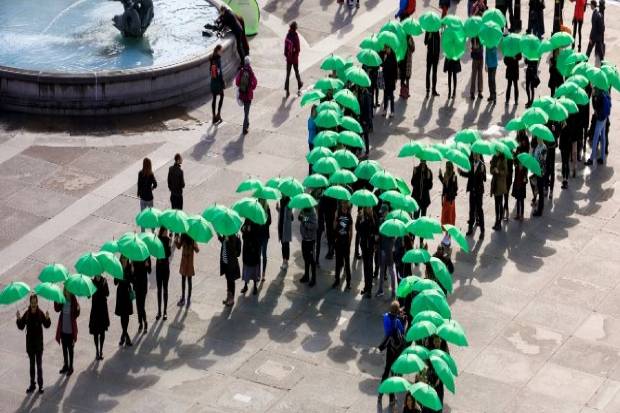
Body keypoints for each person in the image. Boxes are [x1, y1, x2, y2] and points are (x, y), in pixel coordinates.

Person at [16, 295, 51, 394]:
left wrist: (48, 318)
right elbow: (21, 326)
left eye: (35, 302)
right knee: (32, 366)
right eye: (32, 302)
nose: (34, 304)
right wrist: (18, 319)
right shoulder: (27, 314)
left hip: (39, 345)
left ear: (37, 302)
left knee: (39, 366)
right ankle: (32, 384)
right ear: (30, 303)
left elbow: (46, 325)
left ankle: (40, 386)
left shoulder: (40, 313)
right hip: (30, 345)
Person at [377, 301, 406, 411]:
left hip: (389, 347)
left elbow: (388, 328)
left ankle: (380, 394)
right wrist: (402, 319)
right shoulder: (398, 321)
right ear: (397, 310)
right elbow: (402, 332)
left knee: (386, 371)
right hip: (396, 349)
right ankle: (392, 398)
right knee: (393, 373)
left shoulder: (385, 317)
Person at [54, 288, 79, 377]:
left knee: (70, 349)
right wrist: (55, 300)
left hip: (71, 329)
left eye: (67, 289)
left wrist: (78, 309)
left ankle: (71, 367)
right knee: (64, 348)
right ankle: (65, 365)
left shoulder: (73, 299)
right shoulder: (62, 298)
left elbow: (76, 314)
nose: (66, 291)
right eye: (65, 289)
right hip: (63, 328)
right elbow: (57, 309)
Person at [460, 153, 486, 237]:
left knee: (479, 211)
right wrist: (461, 172)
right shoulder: (472, 164)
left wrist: (482, 172)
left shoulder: (482, 165)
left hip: (478, 193)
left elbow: (484, 179)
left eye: (477, 155)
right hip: (472, 191)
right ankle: (470, 228)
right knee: (471, 210)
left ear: (479, 156)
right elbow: (469, 175)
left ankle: (482, 231)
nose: (475, 157)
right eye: (474, 155)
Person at [585, 87, 611, 165]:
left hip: (600, 119)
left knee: (595, 138)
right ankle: (602, 157)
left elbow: (595, 108)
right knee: (603, 137)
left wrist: (593, 97)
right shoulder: (605, 91)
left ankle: (591, 159)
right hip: (605, 117)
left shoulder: (598, 96)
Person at [356, 207, 376, 298]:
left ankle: (369, 289)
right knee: (365, 266)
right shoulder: (360, 215)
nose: (368, 209)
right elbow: (357, 228)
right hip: (364, 244)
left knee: (369, 266)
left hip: (370, 245)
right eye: (367, 208)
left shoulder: (372, 216)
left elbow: (375, 229)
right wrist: (360, 220)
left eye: (370, 208)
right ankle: (366, 286)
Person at [333, 201, 353, 290]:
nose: (345, 205)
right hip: (338, 242)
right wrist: (335, 218)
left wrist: (349, 243)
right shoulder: (338, 214)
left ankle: (348, 282)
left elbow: (351, 231)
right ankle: (337, 280)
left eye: (346, 204)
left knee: (347, 263)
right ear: (341, 205)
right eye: (343, 204)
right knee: (338, 262)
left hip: (346, 243)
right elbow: (334, 227)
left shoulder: (349, 216)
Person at [236, 55, 258, 135]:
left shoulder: (241, 71)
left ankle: (247, 124)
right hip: (248, 95)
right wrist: (251, 88)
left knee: (246, 111)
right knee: (246, 112)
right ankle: (244, 128)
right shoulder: (251, 72)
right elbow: (255, 83)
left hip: (242, 93)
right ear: (250, 63)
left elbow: (237, 82)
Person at [175, 233, 199, 307]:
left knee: (184, 280)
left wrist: (176, 240)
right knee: (189, 280)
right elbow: (197, 250)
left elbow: (178, 246)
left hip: (184, 261)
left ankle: (183, 298)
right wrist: (195, 243)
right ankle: (188, 299)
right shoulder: (192, 237)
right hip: (189, 262)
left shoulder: (183, 235)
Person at [89, 275, 109, 360]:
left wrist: (104, 286)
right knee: (96, 332)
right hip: (95, 310)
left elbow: (107, 293)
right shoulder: (92, 282)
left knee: (102, 332)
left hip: (103, 310)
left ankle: (101, 351)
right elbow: (89, 295)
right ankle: (97, 350)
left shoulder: (104, 281)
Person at [115, 257, 134, 347]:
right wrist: (117, 273)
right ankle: (126, 336)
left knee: (126, 316)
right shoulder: (118, 267)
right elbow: (115, 282)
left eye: (126, 258)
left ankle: (123, 335)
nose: (124, 260)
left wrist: (132, 272)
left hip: (127, 292)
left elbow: (132, 280)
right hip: (120, 293)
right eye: (123, 258)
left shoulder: (130, 266)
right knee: (123, 316)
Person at [220, 233, 242, 306]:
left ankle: (231, 299)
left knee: (231, 281)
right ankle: (228, 297)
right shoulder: (225, 234)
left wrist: (228, 241)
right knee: (228, 280)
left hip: (231, 264)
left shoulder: (233, 236)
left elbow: (233, 250)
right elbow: (223, 242)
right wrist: (219, 236)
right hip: (225, 263)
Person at [240, 219, 261, 295]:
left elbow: (257, 237)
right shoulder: (247, 220)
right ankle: (245, 285)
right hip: (246, 250)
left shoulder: (257, 223)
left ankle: (255, 286)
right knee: (246, 268)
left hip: (254, 251)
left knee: (254, 269)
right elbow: (242, 229)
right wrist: (244, 229)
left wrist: (250, 231)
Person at [299, 207, 318, 286]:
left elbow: (314, 226)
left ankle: (313, 279)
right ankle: (306, 275)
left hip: (310, 240)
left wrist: (304, 221)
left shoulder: (313, 213)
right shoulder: (304, 210)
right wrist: (301, 217)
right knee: (305, 257)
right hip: (304, 239)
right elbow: (302, 218)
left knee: (311, 260)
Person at [156, 227, 172, 321]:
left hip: (165, 267)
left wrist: (169, 245)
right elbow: (155, 253)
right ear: (162, 231)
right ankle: (159, 311)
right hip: (159, 267)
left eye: (167, 231)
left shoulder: (168, 240)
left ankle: (165, 311)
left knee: (165, 289)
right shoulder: (157, 240)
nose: (167, 232)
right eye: (166, 231)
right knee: (159, 290)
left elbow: (168, 254)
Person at [284, 21, 303, 97]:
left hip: (289, 59)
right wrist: (295, 55)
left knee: (288, 75)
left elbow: (285, 47)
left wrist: (287, 55)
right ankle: (299, 85)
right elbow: (298, 49)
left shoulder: (288, 35)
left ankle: (287, 90)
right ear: (295, 29)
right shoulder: (296, 37)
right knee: (296, 73)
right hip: (294, 60)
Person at [132, 258, 150, 333]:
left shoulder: (146, 256)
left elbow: (149, 271)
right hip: (136, 285)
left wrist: (147, 265)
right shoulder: (134, 257)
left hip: (143, 285)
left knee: (141, 306)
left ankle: (145, 322)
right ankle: (140, 323)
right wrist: (132, 269)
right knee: (138, 305)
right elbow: (132, 274)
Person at [490, 153, 507, 230]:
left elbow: (506, 172)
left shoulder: (504, 159)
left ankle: (499, 222)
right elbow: (490, 170)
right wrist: (494, 170)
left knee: (499, 203)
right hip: (495, 184)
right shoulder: (494, 157)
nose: (496, 152)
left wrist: (499, 171)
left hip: (500, 185)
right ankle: (497, 221)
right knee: (496, 204)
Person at [439, 162, 458, 226]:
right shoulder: (445, 174)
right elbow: (444, 185)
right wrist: (440, 176)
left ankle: (449, 229)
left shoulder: (454, 176)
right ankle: (446, 228)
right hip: (446, 197)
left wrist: (452, 182)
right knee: (445, 214)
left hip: (450, 199)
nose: (446, 168)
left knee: (450, 214)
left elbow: (455, 188)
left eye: (447, 167)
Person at [586, 0, 605, 66]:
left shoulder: (595, 15)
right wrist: (600, 36)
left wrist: (590, 37)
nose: (590, 6)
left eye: (590, 5)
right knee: (600, 52)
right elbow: (602, 27)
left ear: (592, 5)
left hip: (594, 37)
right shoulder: (600, 14)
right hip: (599, 37)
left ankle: (584, 63)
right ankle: (603, 64)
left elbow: (593, 28)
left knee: (588, 51)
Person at [532, 137, 548, 216]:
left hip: (540, 171)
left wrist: (537, 160)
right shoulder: (537, 146)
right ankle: (538, 207)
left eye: (539, 138)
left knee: (541, 191)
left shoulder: (544, 148)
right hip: (536, 170)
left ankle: (540, 210)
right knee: (537, 188)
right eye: (537, 138)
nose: (538, 139)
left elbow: (542, 160)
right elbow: (534, 155)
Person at [277, 196, 293, 269]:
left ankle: (285, 261)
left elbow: (291, 217)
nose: (281, 193)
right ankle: (285, 261)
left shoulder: (289, 201)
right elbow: (282, 212)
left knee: (285, 245)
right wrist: (278, 209)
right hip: (281, 225)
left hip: (286, 227)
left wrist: (290, 211)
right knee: (283, 245)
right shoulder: (281, 200)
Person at [210, 45, 225, 124]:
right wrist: (222, 82)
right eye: (221, 50)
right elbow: (219, 73)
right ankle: (218, 114)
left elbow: (211, 71)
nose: (222, 52)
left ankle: (213, 116)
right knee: (222, 96)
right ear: (218, 50)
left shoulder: (212, 58)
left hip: (212, 81)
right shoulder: (218, 59)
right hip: (217, 82)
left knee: (214, 98)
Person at [381, 46, 398, 117]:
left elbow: (395, 68)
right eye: (386, 49)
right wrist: (384, 60)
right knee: (385, 95)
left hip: (391, 79)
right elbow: (382, 66)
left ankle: (392, 111)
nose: (387, 50)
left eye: (388, 49)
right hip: (385, 79)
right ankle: (385, 110)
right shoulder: (385, 55)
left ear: (390, 49)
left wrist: (395, 78)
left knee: (391, 96)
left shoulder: (393, 56)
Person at [257, 198, 271, 280]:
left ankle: (263, 273)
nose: (260, 201)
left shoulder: (267, 208)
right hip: (258, 235)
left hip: (265, 235)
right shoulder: (257, 209)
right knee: (258, 255)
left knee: (264, 254)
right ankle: (258, 273)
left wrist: (264, 219)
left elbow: (270, 221)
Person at [424, 31, 441, 97]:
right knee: (428, 72)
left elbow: (439, 44)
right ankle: (427, 89)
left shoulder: (437, 31)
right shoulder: (428, 31)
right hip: (429, 55)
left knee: (434, 72)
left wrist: (438, 55)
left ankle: (434, 90)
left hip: (435, 56)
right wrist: (429, 37)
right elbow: (425, 42)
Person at [359, 86, 374, 155]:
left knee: (365, 135)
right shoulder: (361, 93)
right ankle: (361, 150)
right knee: (361, 135)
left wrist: (366, 120)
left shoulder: (367, 95)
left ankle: (367, 151)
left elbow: (368, 110)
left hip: (365, 119)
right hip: (361, 118)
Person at [559, 117, 573, 188]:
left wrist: (564, 128)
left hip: (566, 149)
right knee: (563, 163)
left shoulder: (568, 127)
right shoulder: (562, 125)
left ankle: (566, 180)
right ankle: (564, 179)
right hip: (563, 148)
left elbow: (569, 139)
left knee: (566, 163)